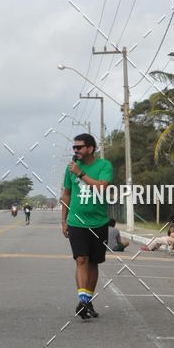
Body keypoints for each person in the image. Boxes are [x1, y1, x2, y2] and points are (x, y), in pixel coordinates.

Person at [61, 133, 114, 320]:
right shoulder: (70, 169)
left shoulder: (104, 166)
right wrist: (64, 220)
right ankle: (83, 300)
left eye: (79, 147)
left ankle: (88, 300)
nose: (75, 151)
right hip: (77, 221)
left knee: (93, 262)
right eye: (74, 148)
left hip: (99, 222)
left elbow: (101, 187)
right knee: (81, 259)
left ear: (90, 149)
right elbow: (66, 194)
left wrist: (80, 173)